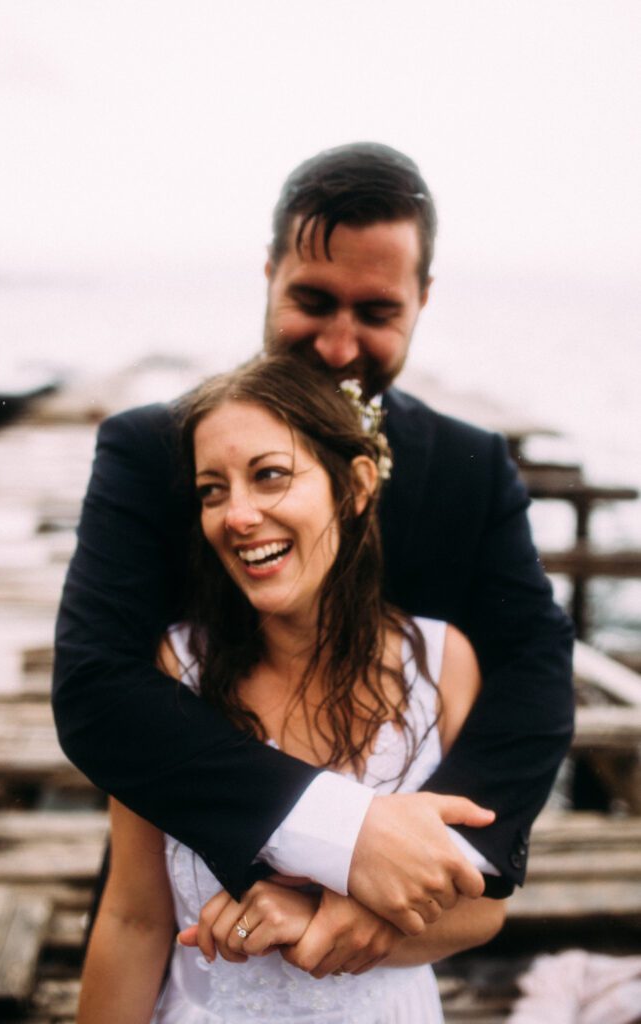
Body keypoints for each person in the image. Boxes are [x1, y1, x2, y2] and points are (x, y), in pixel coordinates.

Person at [53, 143, 574, 947]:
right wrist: (349, 833)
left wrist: (429, 863)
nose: (337, 346)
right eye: (313, 300)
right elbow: (95, 689)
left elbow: (533, 671)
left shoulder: (473, 470)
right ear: (268, 275)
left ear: (422, 300)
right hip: (189, 908)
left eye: (376, 313)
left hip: (398, 931)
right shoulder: (150, 448)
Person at [76, 355, 508, 1024]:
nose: (236, 516)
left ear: (354, 485)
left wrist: (311, 915)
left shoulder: (443, 662)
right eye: (211, 490)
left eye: (269, 476)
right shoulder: (172, 669)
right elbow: (134, 917)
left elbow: (482, 906)